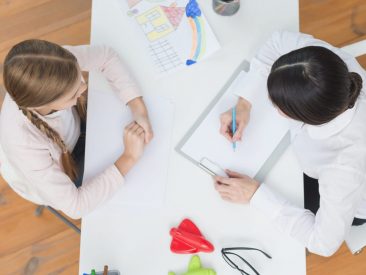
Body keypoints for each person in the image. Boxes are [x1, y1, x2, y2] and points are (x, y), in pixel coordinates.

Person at [216, 30, 366, 257]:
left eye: (278, 105)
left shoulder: (342, 169)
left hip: (354, 199)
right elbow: (275, 42)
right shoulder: (331, 64)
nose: (272, 106)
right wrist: (244, 103)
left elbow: (323, 243)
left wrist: (256, 195)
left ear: (303, 116)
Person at [0, 39, 153, 219]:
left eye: (80, 77)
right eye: (73, 94)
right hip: (58, 170)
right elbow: (76, 206)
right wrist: (129, 157)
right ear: (45, 104)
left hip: (70, 136)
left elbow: (106, 56)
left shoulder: (57, 65)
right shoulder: (24, 144)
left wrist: (138, 108)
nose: (84, 86)